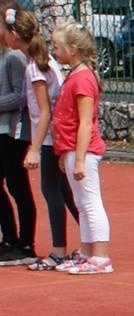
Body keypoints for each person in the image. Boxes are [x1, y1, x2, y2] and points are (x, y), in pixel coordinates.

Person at [10, 8, 78, 270]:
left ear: (14, 35)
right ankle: (89, 245)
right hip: (53, 136)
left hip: (51, 138)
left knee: (52, 192)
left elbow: (45, 111)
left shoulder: (36, 68)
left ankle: (59, 251)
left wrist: (35, 148)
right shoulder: (39, 61)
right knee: (64, 192)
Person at [47, 23, 107, 274]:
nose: (53, 51)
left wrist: (80, 159)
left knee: (91, 202)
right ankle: (85, 252)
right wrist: (65, 153)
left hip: (83, 150)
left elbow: (85, 123)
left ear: (72, 49)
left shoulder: (82, 78)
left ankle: (101, 257)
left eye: (57, 47)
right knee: (82, 204)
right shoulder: (75, 74)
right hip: (72, 149)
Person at [0, 7, 36, 267]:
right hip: (3, 130)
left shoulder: (14, 58)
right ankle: (10, 238)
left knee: (17, 185)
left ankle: (25, 243)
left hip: (14, 131)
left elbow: (20, 96)